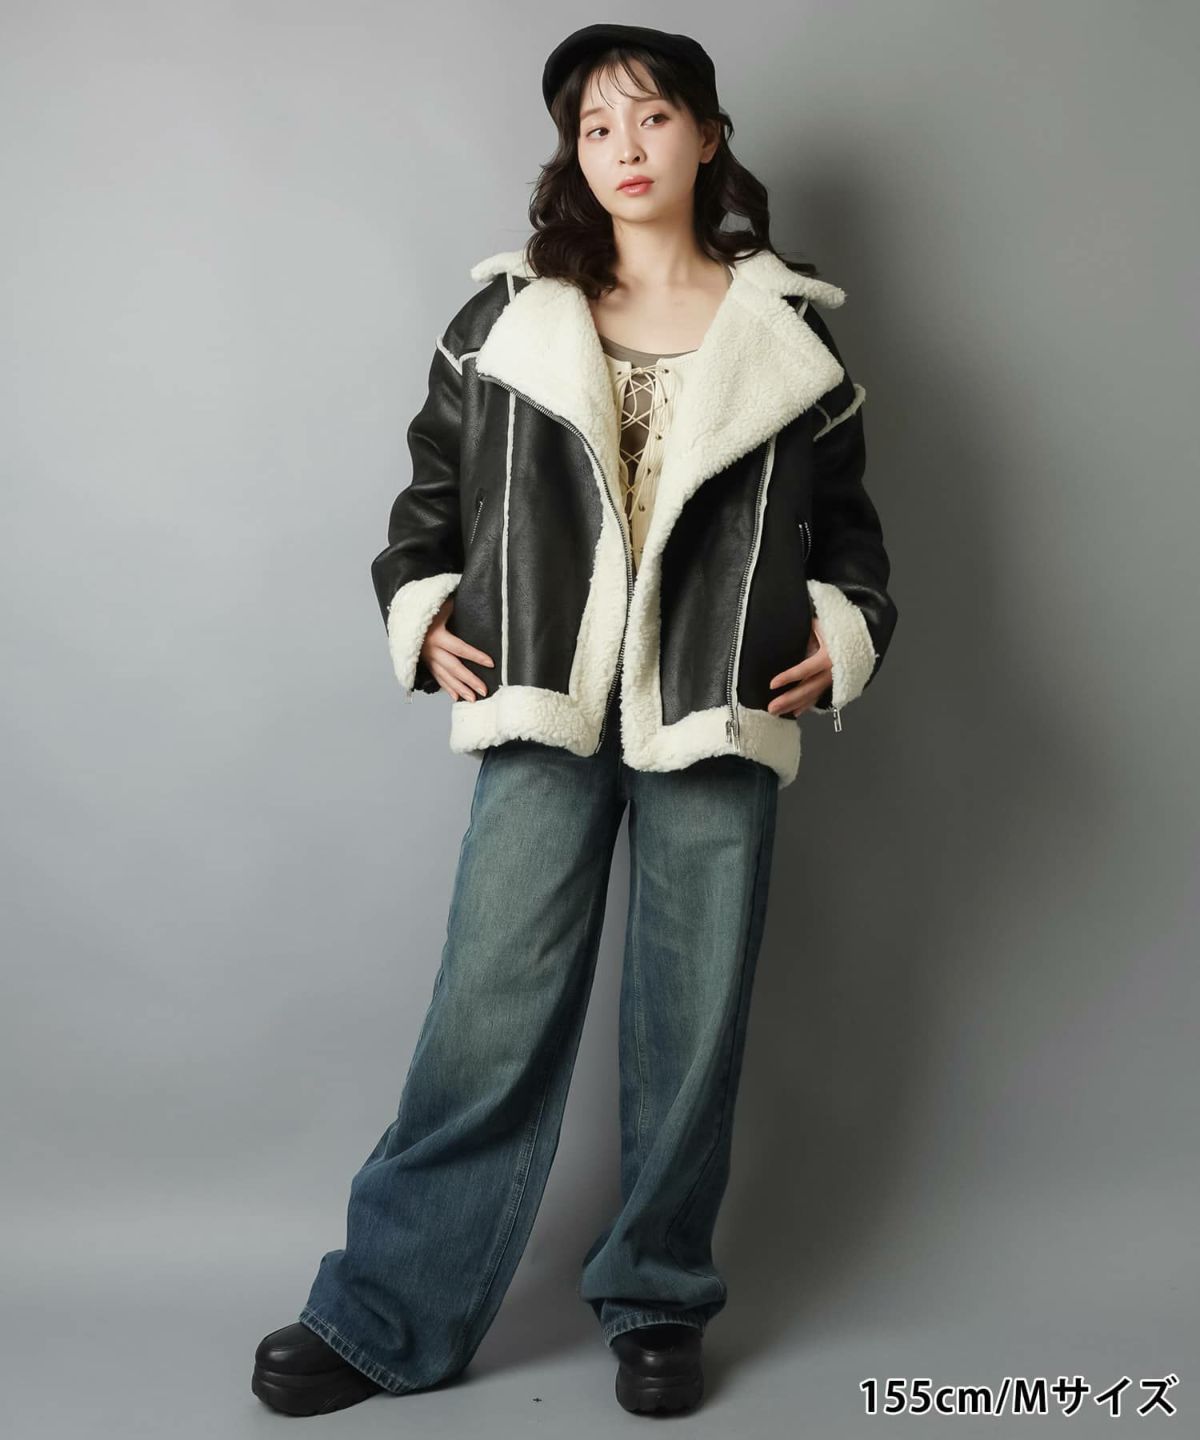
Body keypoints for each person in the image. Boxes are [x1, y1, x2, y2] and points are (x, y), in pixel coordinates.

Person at [252, 22, 898, 1420]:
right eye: (595, 127)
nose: (623, 148)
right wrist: (421, 605)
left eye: (650, 118)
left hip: (713, 703)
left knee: (693, 1021)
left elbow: (849, 529)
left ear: (707, 138)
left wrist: (843, 631)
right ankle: (387, 1309)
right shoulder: (509, 317)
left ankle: (659, 1300)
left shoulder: (788, 330)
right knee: (488, 1013)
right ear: (574, 155)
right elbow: (430, 498)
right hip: (543, 690)